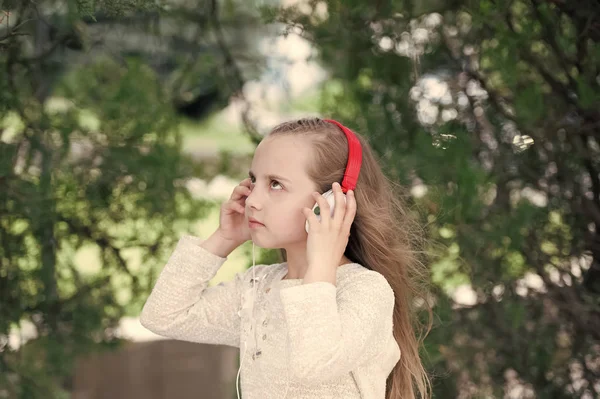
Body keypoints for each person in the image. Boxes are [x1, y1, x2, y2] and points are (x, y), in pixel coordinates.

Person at [140, 118, 432, 399]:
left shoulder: (365, 290)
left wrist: (320, 264)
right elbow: (164, 316)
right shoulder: (258, 288)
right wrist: (224, 239)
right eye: (254, 181)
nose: (252, 199)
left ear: (331, 203)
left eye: (276, 184)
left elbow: (314, 363)